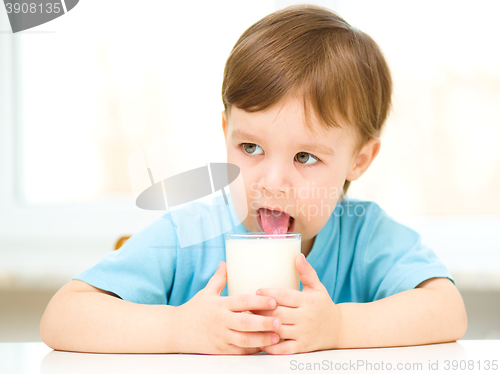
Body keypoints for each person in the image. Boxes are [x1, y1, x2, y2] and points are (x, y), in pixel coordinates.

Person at [40, 5, 467, 355]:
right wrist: (178, 328)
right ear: (226, 131)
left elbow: (448, 311)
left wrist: (339, 327)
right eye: (251, 149)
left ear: (359, 159)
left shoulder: (366, 235)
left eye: (305, 156)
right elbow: (62, 317)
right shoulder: (186, 235)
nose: (273, 181)